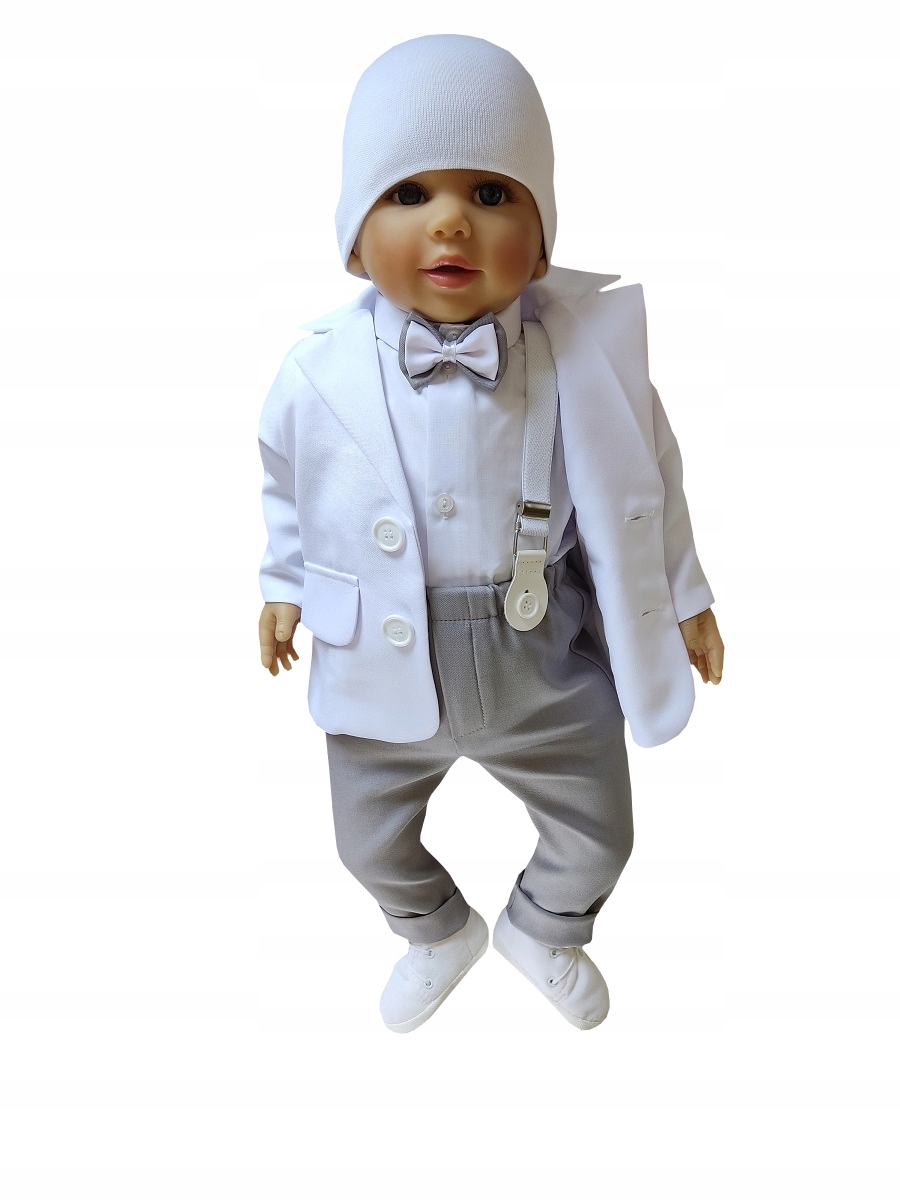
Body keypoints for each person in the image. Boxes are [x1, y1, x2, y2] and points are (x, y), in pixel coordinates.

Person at [257, 34, 724, 1033]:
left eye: (492, 193)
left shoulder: (586, 360)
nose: (451, 221)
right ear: (353, 240)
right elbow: (290, 485)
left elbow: (651, 481)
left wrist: (686, 596)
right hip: (380, 653)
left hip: (540, 647)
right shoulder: (315, 373)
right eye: (408, 193)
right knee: (364, 841)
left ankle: (543, 925)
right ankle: (435, 929)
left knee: (602, 829)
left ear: (541, 241)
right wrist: (283, 583)